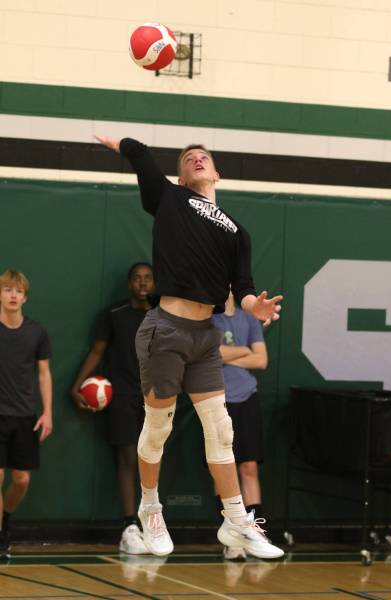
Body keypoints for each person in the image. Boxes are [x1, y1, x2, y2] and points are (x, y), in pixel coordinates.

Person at [96, 134, 284, 560]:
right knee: (158, 427)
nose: (197, 159)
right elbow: (142, 156)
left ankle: (236, 521)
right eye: (188, 159)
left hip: (205, 336)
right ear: (181, 177)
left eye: (204, 157)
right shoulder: (170, 199)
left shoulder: (238, 231)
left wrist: (256, 308)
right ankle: (151, 510)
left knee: (221, 429)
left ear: (216, 172)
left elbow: (245, 289)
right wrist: (121, 143)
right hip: (167, 328)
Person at [71, 263, 154, 554]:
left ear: (155, 283)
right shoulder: (114, 314)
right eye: (137, 278)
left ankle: (152, 525)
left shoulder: (164, 316)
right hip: (122, 396)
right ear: (129, 283)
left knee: (151, 462)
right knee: (127, 458)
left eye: (148, 278)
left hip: (156, 398)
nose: (142, 283)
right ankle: (129, 527)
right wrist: (77, 385)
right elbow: (97, 351)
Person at [0, 270, 53, 560]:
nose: (12, 295)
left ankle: (5, 520)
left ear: (25, 297)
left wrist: (47, 413)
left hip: (24, 416)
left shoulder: (36, 332)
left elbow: (44, 374)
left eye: (17, 291)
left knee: (21, 480)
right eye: (7, 289)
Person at [213, 291, 269, 560]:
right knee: (223, 467)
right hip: (216, 399)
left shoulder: (249, 318)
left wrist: (229, 356)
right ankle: (232, 536)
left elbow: (261, 359)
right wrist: (244, 350)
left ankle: (256, 531)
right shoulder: (207, 317)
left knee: (249, 466)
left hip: (247, 397)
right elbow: (211, 354)